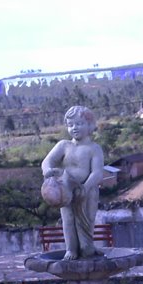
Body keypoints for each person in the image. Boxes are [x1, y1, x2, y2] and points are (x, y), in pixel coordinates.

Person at [40, 105, 105, 259]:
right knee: (68, 220)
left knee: (86, 220)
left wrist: (86, 187)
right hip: (66, 190)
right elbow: (47, 161)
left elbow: (97, 173)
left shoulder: (94, 149)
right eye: (70, 125)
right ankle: (71, 249)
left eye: (79, 124)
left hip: (88, 192)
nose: (74, 128)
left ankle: (87, 248)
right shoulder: (64, 145)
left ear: (90, 125)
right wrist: (48, 172)